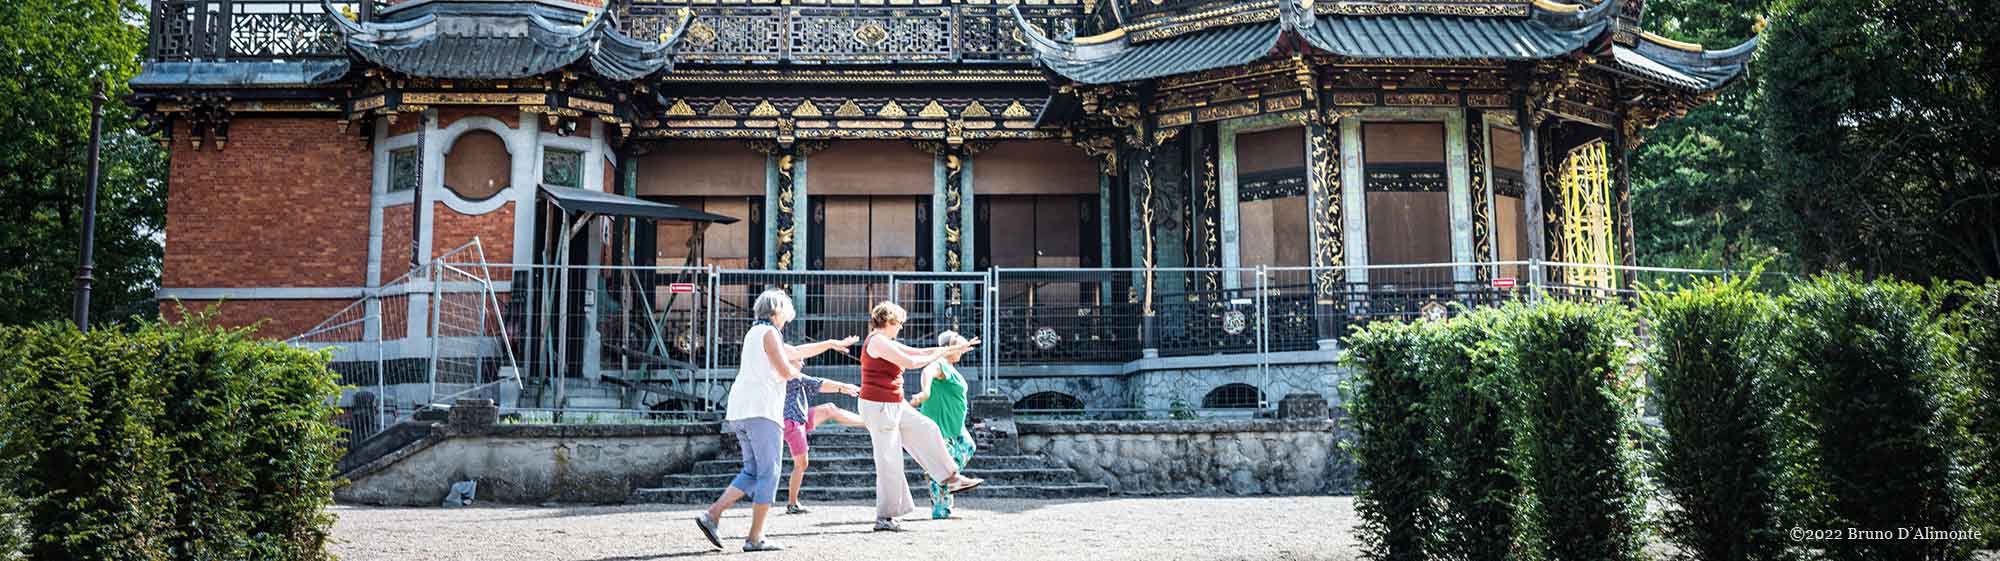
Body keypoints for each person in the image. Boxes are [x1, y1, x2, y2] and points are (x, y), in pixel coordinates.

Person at [694, 289, 816, 553]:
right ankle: (755, 537)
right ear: (776, 310)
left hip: (742, 409)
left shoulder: (754, 332)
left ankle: (712, 515)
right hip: (762, 410)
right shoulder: (771, 333)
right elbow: (784, 370)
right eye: (786, 308)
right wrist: (798, 372)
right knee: (769, 473)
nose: (788, 312)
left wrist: (828, 345)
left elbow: (785, 356)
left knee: (752, 471)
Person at [857, 301, 984, 531]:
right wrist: (943, 352)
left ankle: (950, 477)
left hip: (893, 403)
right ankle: (885, 517)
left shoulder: (886, 341)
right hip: (879, 406)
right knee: (890, 462)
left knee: (928, 428)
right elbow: (912, 361)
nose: (901, 328)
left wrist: (946, 350)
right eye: (900, 323)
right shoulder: (877, 341)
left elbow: (917, 352)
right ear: (890, 321)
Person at [777, 336, 867, 514]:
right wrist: (843, 387)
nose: (802, 363)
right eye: (799, 360)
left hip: (800, 417)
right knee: (801, 464)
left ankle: (867, 423)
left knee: (829, 409)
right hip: (792, 422)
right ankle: (792, 504)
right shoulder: (790, 375)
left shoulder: (789, 373)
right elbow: (819, 384)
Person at [911, 330, 976, 519]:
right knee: (942, 465)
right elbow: (927, 371)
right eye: (959, 346)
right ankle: (941, 509)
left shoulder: (949, 366)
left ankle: (942, 476)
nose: (962, 350)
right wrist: (925, 392)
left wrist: (964, 346)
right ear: (948, 348)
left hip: (954, 426)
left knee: (967, 447)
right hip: (940, 426)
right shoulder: (939, 364)